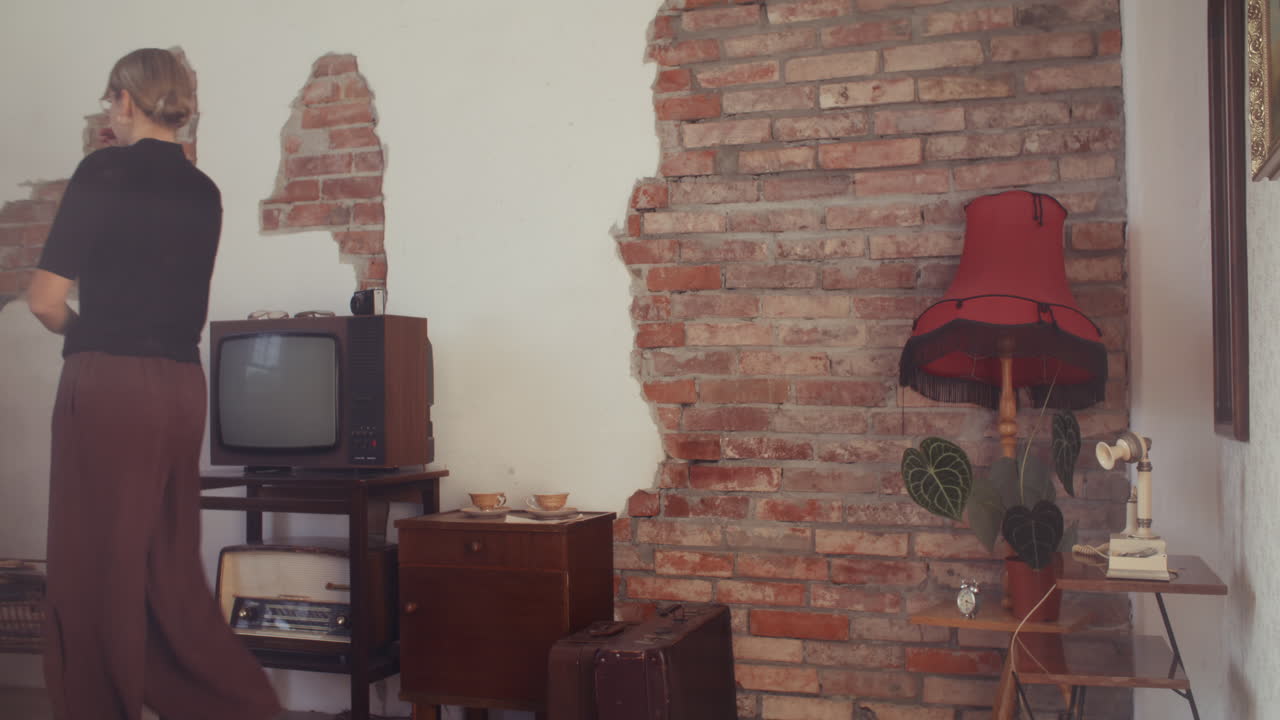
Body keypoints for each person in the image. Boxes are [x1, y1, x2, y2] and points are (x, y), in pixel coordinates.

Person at [28, 48, 281, 720]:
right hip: (180, 388)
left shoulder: (102, 170)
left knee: (91, 569)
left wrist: (77, 332)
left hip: (109, 385)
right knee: (167, 569)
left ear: (125, 100)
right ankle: (244, 708)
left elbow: (44, 300)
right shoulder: (204, 190)